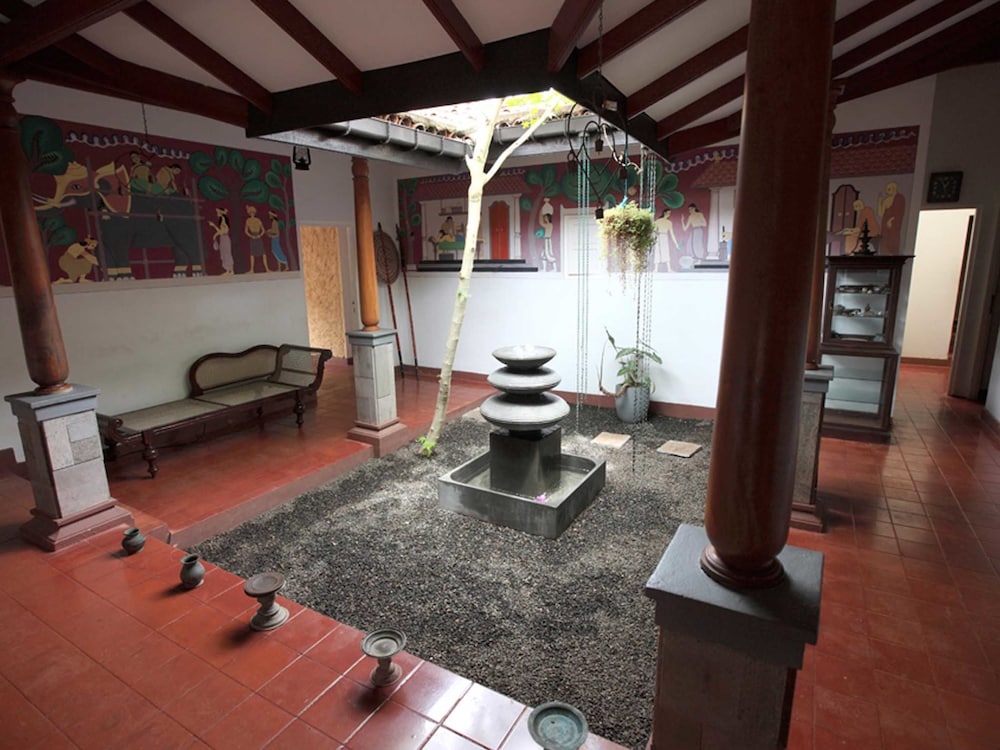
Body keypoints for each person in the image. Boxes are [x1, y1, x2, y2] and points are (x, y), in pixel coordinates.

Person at [877, 181, 905, 254]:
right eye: (887, 189)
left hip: (894, 225)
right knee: (884, 240)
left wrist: (892, 220)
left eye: (889, 189)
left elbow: (899, 212)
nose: (887, 191)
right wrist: (879, 201)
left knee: (893, 239)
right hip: (884, 223)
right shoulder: (886, 200)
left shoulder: (899, 198)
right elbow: (881, 213)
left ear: (894, 188)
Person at [244, 205, 269, 272]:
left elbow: (263, 230)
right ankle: (252, 269)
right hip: (252, 237)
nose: (252, 214)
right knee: (252, 253)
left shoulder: (258, 220)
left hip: (258, 236)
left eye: (253, 212)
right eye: (250, 212)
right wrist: (251, 236)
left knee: (263, 252)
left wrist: (259, 235)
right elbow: (246, 231)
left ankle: (267, 268)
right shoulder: (248, 220)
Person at [209, 208, 234, 274]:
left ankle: (231, 270)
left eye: (218, 212)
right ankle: (227, 270)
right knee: (224, 254)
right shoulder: (221, 222)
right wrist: (214, 226)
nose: (217, 214)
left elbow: (224, 231)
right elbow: (220, 231)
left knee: (227, 254)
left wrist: (215, 234)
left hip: (225, 238)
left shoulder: (224, 221)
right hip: (222, 238)